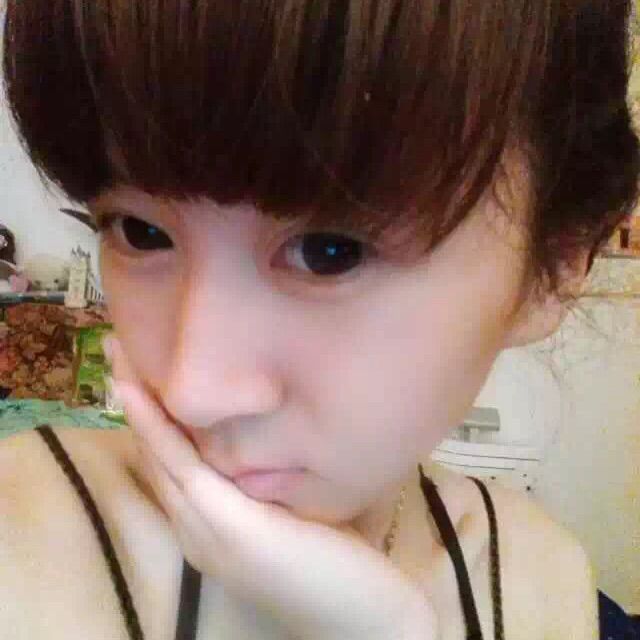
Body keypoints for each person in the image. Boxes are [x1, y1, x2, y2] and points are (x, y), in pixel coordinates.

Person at [2, 1, 638, 638]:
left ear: (556, 265)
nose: (193, 391)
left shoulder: (552, 589)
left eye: (330, 252)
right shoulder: (21, 534)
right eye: (140, 232)